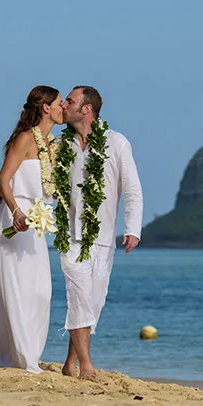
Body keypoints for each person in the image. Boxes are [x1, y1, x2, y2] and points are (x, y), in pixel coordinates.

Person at [56, 85, 143, 380]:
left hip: (104, 237)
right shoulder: (62, 146)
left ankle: (69, 363)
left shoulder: (116, 143)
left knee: (93, 302)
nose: (64, 105)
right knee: (78, 296)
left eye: (70, 101)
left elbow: (131, 189)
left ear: (86, 109)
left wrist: (132, 229)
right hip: (69, 236)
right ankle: (87, 366)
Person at [0, 85, 64, 373]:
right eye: (59, 103)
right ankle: (23, 359)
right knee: (18, 290)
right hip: (13, 219)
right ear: (46, 107)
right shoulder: (24, 138)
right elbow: (3, 180)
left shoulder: (51, 145)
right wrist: (16, 211)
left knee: (41, 291)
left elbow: (48, 187)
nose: (62, 108)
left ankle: (28, 352)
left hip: (37, 222)